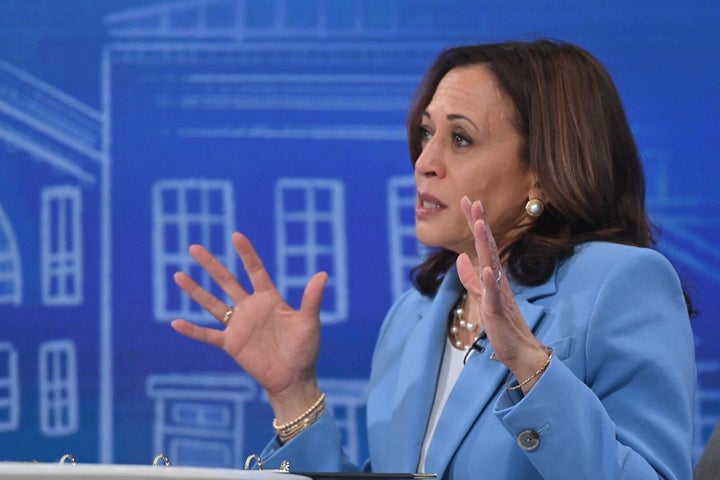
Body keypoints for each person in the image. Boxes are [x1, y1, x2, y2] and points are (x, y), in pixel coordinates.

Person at [170, 40, 696, 480]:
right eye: (427, 133)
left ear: (543, 171)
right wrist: (294, 394)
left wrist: (534, 370)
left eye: (460, 138)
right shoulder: (412, 315)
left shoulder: (620, 283)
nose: (425, 162)